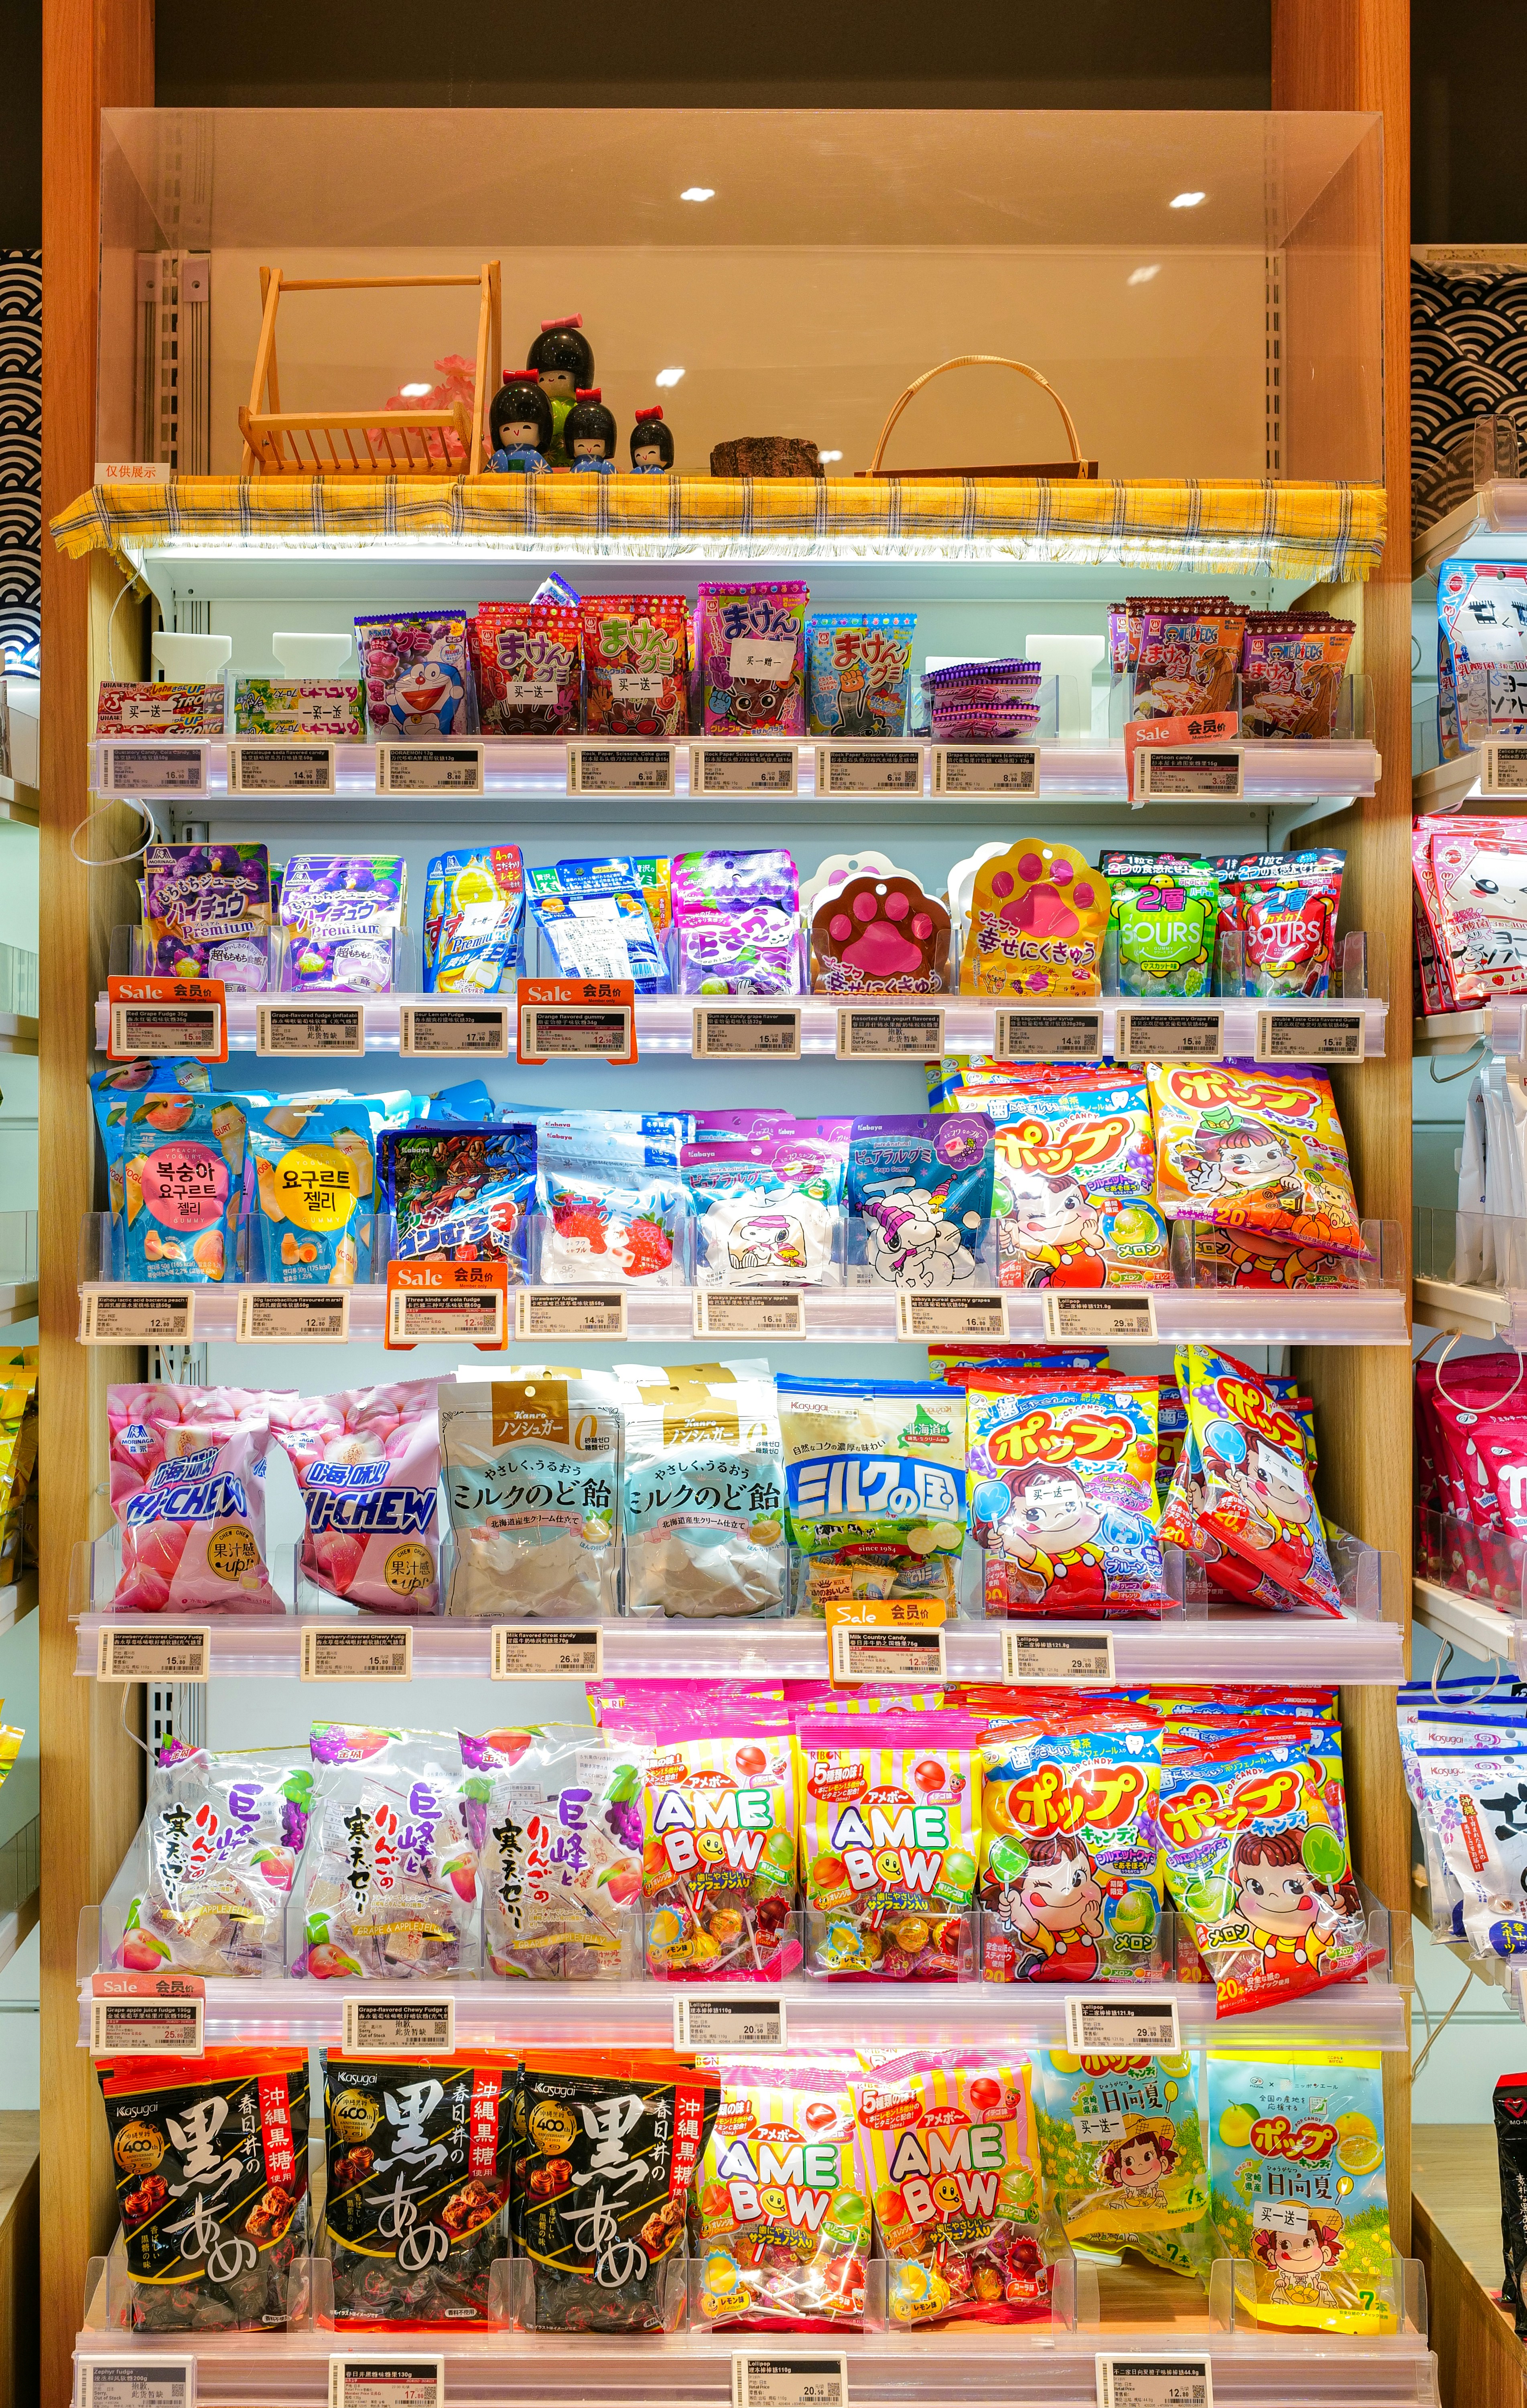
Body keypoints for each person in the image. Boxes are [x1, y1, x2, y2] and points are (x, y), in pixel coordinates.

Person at [526, 316, 595, 468]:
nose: (550, 381)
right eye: (543, 379)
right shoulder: (542, 407)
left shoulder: (579, 409)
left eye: (562, 377)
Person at [486, 372, 552, 474]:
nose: (516, 432)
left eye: (527, 427)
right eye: (506, 429)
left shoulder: (533, 456)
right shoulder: (500, 456)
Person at [630, 405, 674, 473]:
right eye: (638, 455)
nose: (645, 457)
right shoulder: (638, 471)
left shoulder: (658, 472)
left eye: (652, 453)